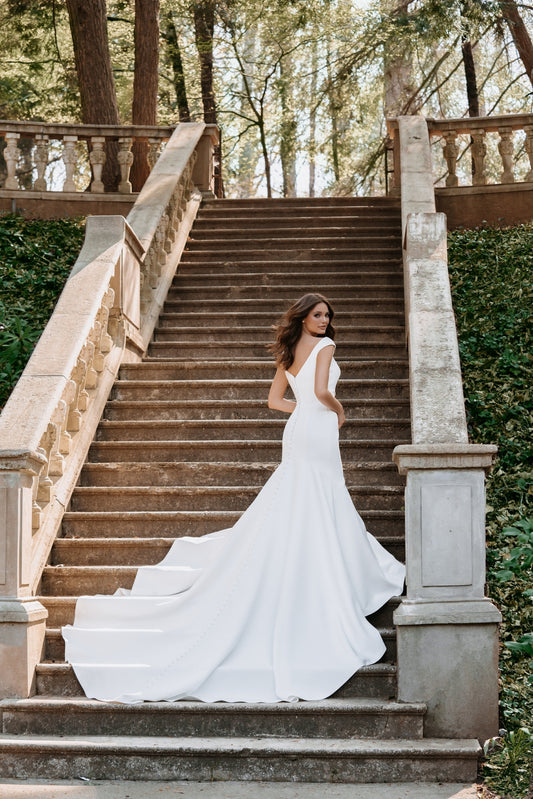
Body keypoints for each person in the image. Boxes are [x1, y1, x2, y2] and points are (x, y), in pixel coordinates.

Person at [63, 293, 405, 704]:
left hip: (298, 430)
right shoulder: (328, 346)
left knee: (305, 494)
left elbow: (274, 401)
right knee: (321, 493)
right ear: (304, 316)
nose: (324, 320)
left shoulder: (289, 351)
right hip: (318, 430)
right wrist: (337, 409)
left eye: (327, 315)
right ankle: (337, 568)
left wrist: (304, 411)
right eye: (317, 314)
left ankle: (316, 557)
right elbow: (319, 389)